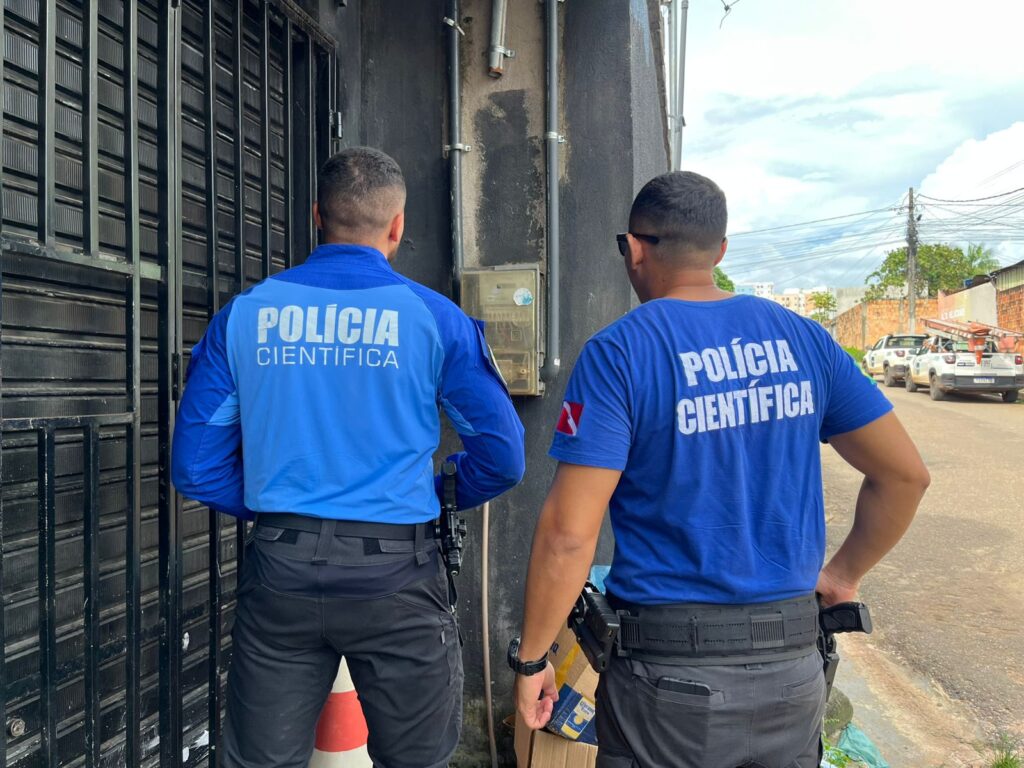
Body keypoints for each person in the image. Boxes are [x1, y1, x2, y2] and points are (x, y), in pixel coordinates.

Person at [510, 171, 929, 768]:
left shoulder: (621, 351)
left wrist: (532, 660)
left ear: (634, 249)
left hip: (668, 686)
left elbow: (568, 535)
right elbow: (905, 476)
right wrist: (842, 575)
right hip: (793, 672)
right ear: (721, 251)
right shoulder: (806, 340)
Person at [172, 146, 525, 768]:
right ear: (397, 226)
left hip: (281, 570)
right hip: (397, 573)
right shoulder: (434, 319)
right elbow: (502, 458)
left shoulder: (245, 316)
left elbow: (195, 466)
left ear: (317, 215)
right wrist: (438, 491)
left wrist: (276, 501)